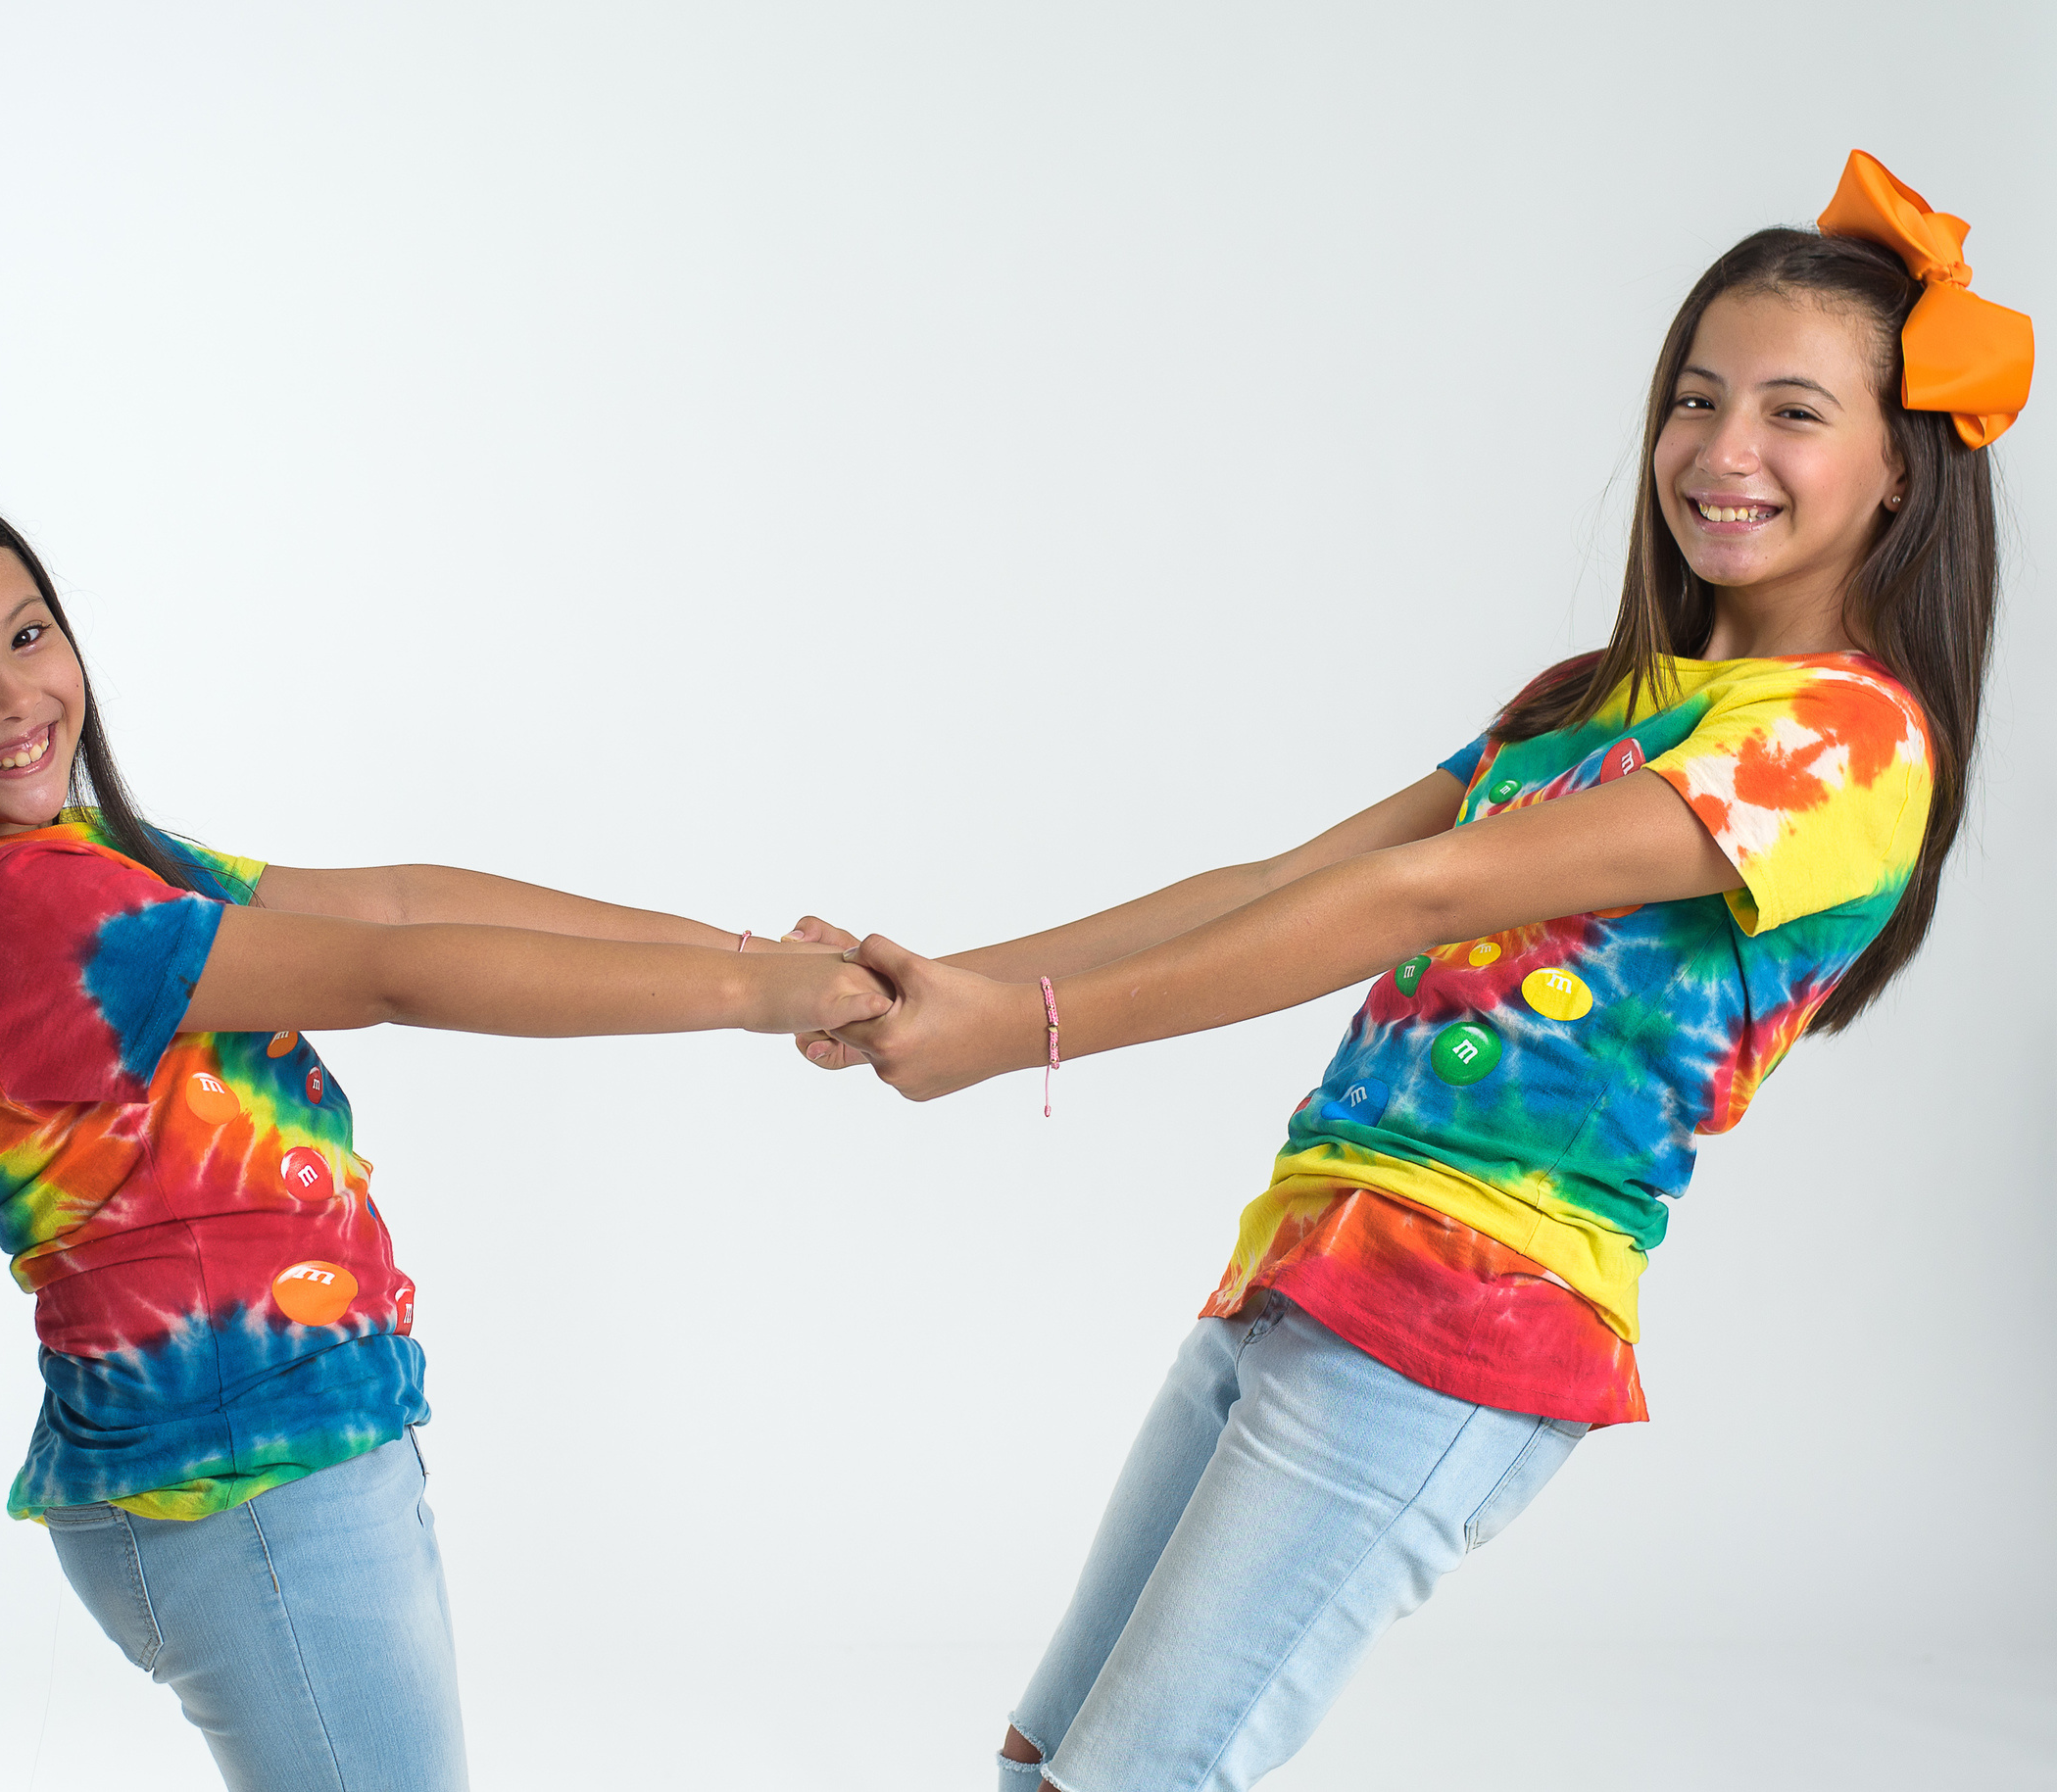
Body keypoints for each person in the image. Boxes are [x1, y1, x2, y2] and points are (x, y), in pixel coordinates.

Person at [790, 150, 2030, 1791]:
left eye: (1794, 413)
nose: (1725, 453)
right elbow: (1295, 876)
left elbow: (1413, 894)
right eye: (1697, 398)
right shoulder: (1590, 698)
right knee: (1049, 1760)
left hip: (1466, 1315)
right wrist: (930, 976)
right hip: (1311, 1260)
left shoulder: (1844, 741)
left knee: (1134, 1775)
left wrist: (1019, 1033)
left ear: (1898, 471)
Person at [0, 465, 889, 1792]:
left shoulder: (72, 862)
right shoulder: (9, 917)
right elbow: (394, 976)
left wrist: (743, 952)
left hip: (265, 1459)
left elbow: (383, 903)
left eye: (28, 632)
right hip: (247, 1480)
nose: (14, 693)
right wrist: (747, 995)